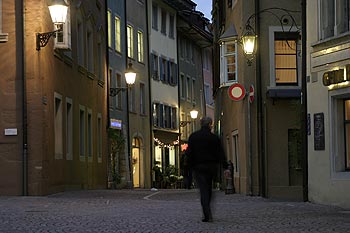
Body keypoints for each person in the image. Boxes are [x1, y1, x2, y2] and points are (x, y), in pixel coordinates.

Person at [186, 116, 228, 222]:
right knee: (208, 189)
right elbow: (220, 153)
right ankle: (207, 210)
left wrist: (189, 169)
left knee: (203, 189)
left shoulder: (193, 137)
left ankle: (206, 212)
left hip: (198, 167)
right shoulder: (214, 138)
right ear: (210, 124)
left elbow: (189, 154)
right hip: (211, 167)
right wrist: (225, 167)